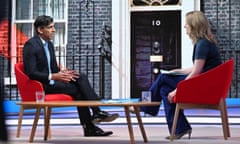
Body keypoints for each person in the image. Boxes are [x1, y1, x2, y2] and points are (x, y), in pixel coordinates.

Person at [23, 15, 119, 137]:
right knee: (79, 90)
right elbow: (31, 73)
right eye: (50, 27)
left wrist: (62, 71)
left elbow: (52, 68)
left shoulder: (49, 45)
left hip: (53, 81)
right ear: (40, 30)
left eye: (53, 27)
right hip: (42, 87)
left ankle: (95, 116)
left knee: (80, 76)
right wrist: (53, 76)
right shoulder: (30, 45)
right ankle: (92, 121)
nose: (54, 30)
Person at [139, 11, 222, 139]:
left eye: (186, 24)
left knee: (163, 78)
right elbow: (197, 68)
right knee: (164, 89)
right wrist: (177, 71)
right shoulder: (205, 43)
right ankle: (180, 128)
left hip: (204, 87)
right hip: (205, 84)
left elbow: (196, 73)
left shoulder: (202, 44)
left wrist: (178, 90)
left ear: (194, 26)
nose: (185, 27)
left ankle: (144, 105)